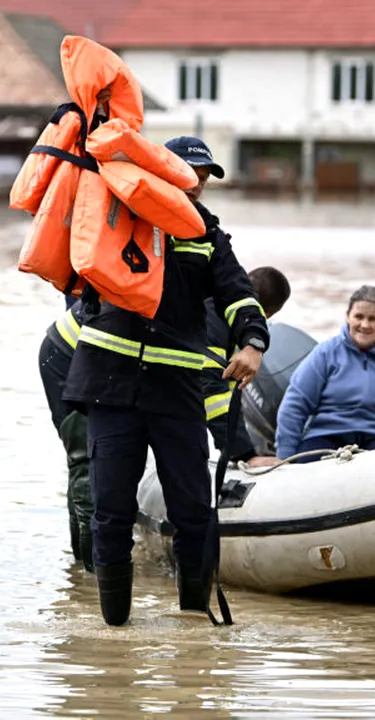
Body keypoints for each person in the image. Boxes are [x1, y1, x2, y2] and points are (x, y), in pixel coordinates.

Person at [62, 136, 270, 626]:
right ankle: (114, 631)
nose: (198, 182)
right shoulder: (124, 216)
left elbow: (238, 295)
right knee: (111, 510)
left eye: (206, 175)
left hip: (176, 393)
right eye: (190, 172)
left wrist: (253, 343)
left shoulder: (208, 235)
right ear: (163, 173)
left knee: (195, 511)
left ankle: (194, 625)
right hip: (111, 387)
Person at [38, 266, 290, 574]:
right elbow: (212, 387)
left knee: (90, 470)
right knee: (88, 467)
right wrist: (244, 453)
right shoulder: (215, 313)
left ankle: (85, 567)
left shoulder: (215, 297)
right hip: (67, 359)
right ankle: (90, 577)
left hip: (99, 363)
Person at [275, 285, 375, 462]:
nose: (365, 325)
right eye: (359, 317)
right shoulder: (325, 354)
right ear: (348, 316)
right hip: (327, 434)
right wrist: (285, 457)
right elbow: (295, 404)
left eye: (373, 319)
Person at [202, 267, 291, 468]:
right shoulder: (217, 322)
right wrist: (244, 454)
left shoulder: (212, 300)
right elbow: (212, 389)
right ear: (265, 315)